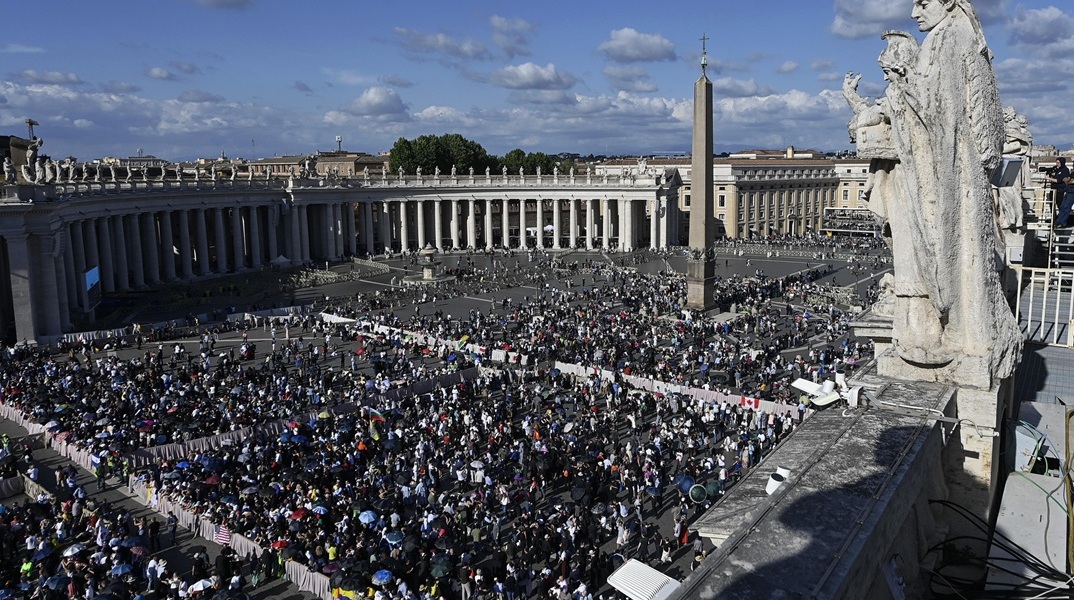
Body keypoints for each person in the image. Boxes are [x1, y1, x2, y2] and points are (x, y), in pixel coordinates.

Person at [851, 0, 1020, 379]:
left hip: (944, 178)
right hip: (944, 175)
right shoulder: (954, 37)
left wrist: (905, 88)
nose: (914, 13)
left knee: (949, 256)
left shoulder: (949, 40)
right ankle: (960, 328)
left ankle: (958, 332)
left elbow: (937, 110)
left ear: (948, 2)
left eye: (923, 3)